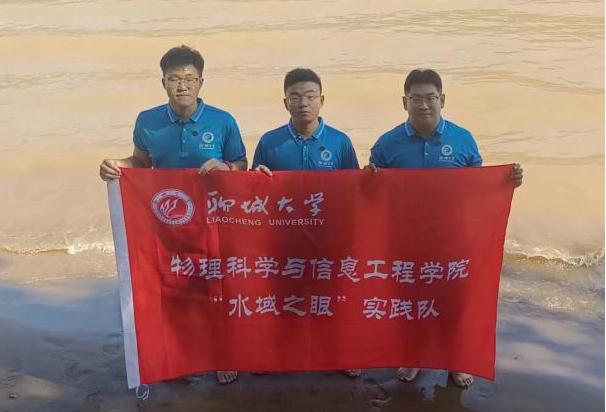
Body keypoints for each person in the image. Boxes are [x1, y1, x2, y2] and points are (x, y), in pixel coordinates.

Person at [99, 45, 247, 384]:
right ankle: (177, 352)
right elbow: (141, 162)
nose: (183, 86)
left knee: (216, 286)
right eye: (175, 79)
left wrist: (225, 167)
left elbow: (242, 165)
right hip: (166, 222)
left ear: (201, 82)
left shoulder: (223, 121)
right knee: (171, 285)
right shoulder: (147, 121)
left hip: (213, 222)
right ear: (163, 82)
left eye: (190, 79)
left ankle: (222, 353)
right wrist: (117, 165)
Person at [368, 69, 523, 388]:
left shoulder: (462, 139)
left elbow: (478, 187)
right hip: (406, 238)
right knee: (410, 302)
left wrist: (506, 182)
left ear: (442, 100)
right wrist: (366, 177)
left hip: (453, 238)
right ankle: (412, 356)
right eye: (416, 99)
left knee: (454, 302)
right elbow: (371, 191)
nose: (424, 105)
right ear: (404, 102)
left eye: (431, 98)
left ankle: (456, 361)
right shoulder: (387, 144)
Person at [252, 68, 361, 378]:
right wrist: (257, 178)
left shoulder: (340, 142)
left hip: (328, 238)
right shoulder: (270, 142)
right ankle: (274, 354)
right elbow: (253, 191)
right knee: (281, 299)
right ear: (285, 102)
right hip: (283, 238)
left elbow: (353, 191)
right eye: (295, 97)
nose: (303, 103)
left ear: (322, 100)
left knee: (332, 298)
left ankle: (339, 354)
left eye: (310, 96)